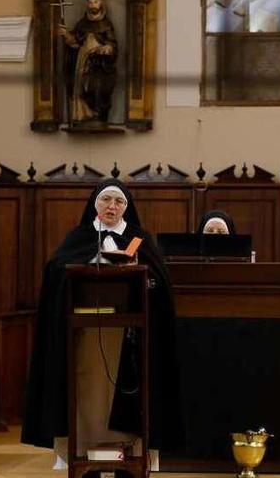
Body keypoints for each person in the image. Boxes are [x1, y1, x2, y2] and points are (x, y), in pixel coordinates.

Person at [22, 179, 182, 473]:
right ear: (94, 204)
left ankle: (130, 454)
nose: (112, 206)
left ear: (127, 207)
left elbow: (160, 282)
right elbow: (56, 271)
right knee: (88, 396)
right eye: (106, 200)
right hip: (83, 337)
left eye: (118, 202)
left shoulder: (140, 240)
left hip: (129, 339)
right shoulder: (79, 239)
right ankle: (84, 453)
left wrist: (140, 274)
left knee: (129, 394)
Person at [59, 0, 118, 124]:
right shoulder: (82, 23)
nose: (93, 5)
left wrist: (107, 48)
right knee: (81, 86)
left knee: (96, 87)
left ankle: (98, 114)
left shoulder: (107, 24)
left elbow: (112, 43)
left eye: (96, 2)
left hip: (99, 63)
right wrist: (67, 35)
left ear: (102, 4)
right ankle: (84, 115)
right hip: (82, 60)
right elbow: (75, 42)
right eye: (90, 2)